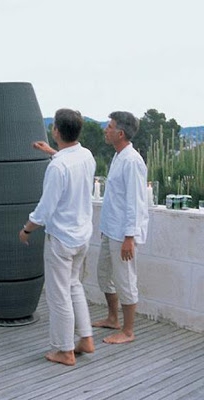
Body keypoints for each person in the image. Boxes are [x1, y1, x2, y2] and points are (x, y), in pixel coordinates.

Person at [19, 108, 96, 366]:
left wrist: (26, 229)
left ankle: (65, 350)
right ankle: (86, 338)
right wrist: (52, 152)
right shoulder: (86, 156)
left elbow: (45, 209)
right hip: (82, 236)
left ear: (56, 131)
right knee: (74, 285)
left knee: (58, 294)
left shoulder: (58, 167)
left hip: (62, 239)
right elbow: (69, 165)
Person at [92, 111, 149, 344]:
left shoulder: (132, 161)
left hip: (123, 234)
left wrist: (129, 237)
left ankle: (128, 331)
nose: (106, 130)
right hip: (110, 229)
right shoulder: (118, 156)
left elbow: (135, 201)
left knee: (125, 280)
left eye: (110, 126)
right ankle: (113, 318)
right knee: (104, 275)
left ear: (121, 133)